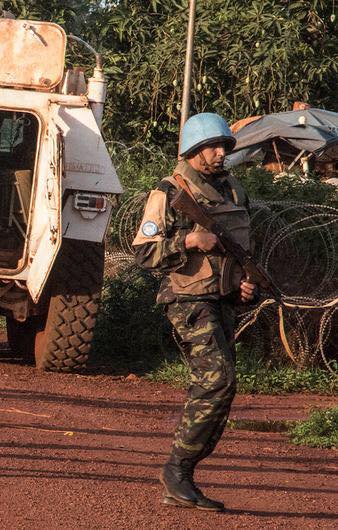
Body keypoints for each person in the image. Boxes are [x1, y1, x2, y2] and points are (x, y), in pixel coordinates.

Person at [132, 112, 255, 512]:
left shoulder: (235, 192)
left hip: (222, 300)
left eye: (224, 147)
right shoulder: (171, 190)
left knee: (225, 385)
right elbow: (144, 251)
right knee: (217, 379)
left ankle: (184, 471)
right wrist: (188, 239)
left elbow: (240, 252)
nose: (221, 153)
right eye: (213, 147)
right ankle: (177, 470)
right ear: (194, 150)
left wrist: (244, 286)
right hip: (188, 300)